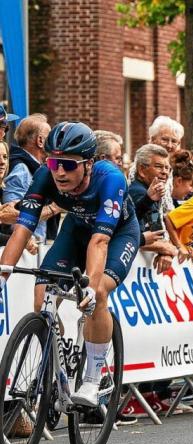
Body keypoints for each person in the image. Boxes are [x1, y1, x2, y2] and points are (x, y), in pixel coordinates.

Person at [0, 122, 141, 406]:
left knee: (98, 291)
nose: (60, 172)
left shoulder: (111, 179)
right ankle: (60, 364)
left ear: (89, 164)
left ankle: (92, 378)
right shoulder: (44, 176)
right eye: (53, 162)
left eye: (68, 164)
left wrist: (89, 284)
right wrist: (3, 273)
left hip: (116, 236)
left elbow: (100, 242)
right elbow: (22, 229)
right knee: (42, 301)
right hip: (76, 230)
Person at [4, 114, 61, 242]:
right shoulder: (21, 169)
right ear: (40, 141)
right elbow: (12, 217)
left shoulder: (38, 168)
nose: (55, 144)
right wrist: (57, 207)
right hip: (27, 250)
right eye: (51, 138)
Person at [128, 144, 177, 273]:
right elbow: (132, 234)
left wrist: (165, 250)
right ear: (142, 170)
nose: (165, 172)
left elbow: (156, 229)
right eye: (159, 166)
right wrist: (165, 248)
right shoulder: (138, 192)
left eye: (167, 168)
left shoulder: (152, 193)